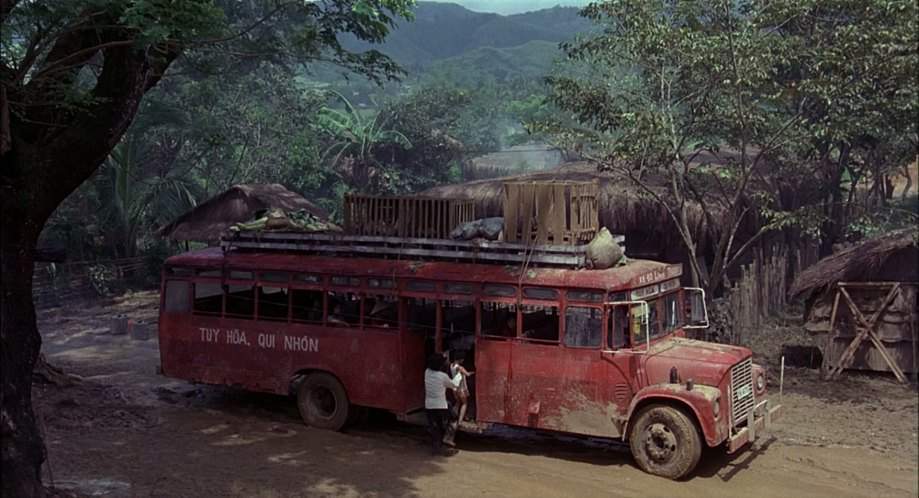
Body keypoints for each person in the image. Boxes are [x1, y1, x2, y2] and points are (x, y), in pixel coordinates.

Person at [424, 353, 462, 456]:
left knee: (436, 426)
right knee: (454, 417)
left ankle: (436, 448)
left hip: (429, 405)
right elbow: (454, 385)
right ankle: (448, 438)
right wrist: (459, 374)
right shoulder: (443, 376)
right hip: (441, 405)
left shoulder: (427, 372)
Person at [443, 351, 474, 446]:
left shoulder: (451, 366)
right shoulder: (460, 367)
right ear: (461, 359)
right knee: (464, 404)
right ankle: (460, 421)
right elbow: (467, 374)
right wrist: (473, 372)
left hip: (455, 388)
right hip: (461, 388)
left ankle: (454, 415)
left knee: (458, 402)